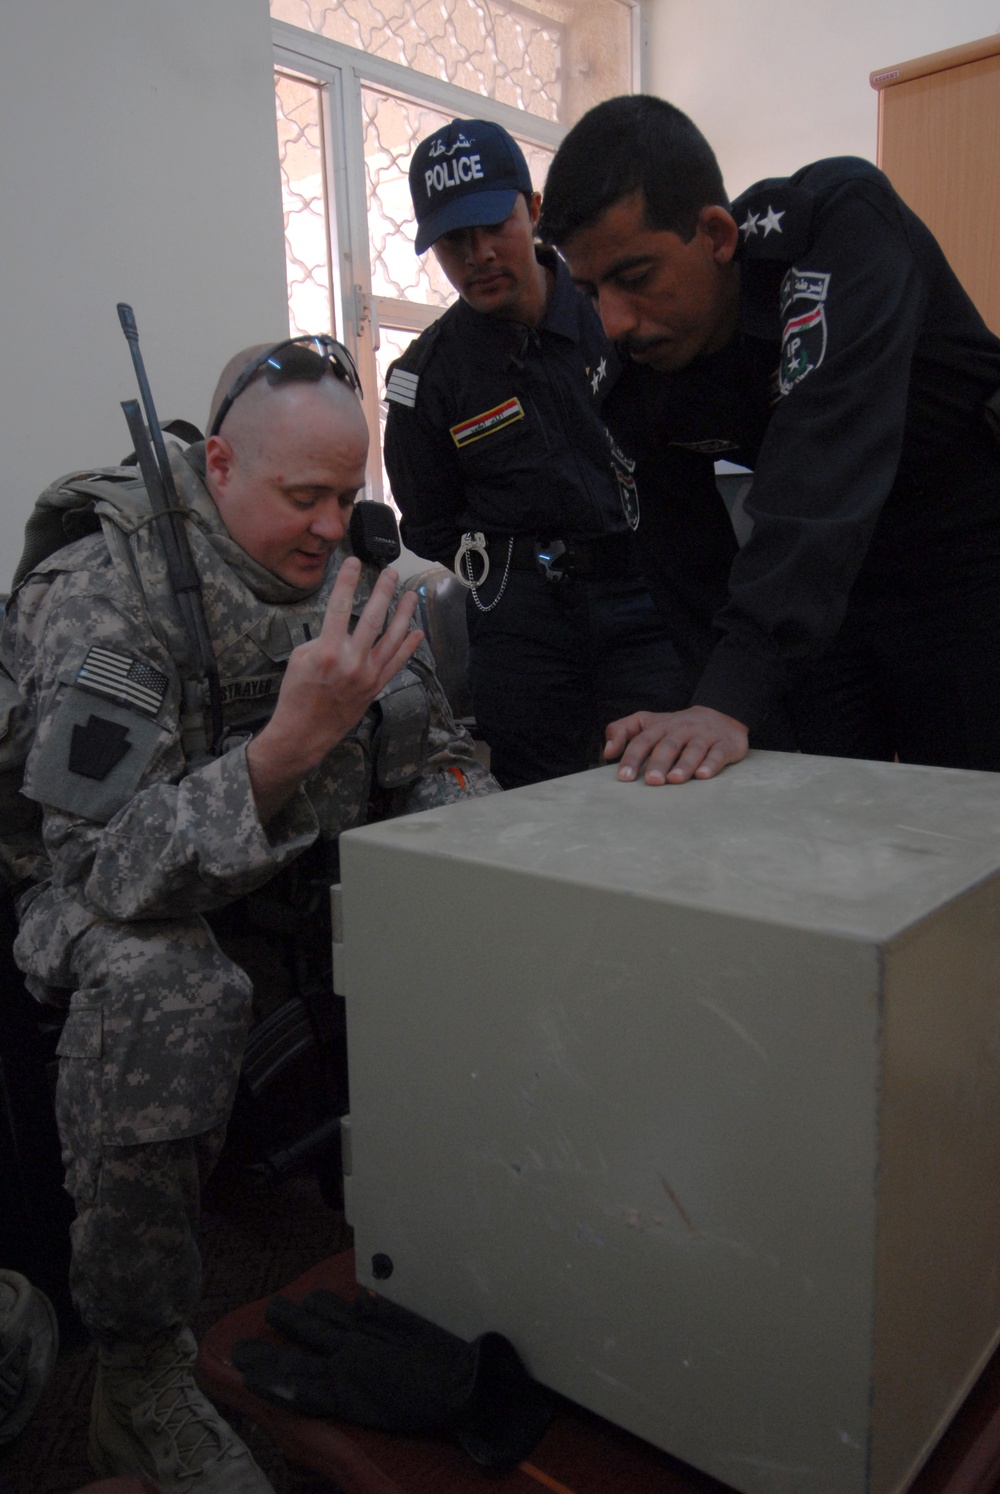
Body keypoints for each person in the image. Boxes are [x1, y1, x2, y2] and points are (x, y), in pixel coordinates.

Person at [0, 336, 497, 1493]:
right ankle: (139, 1374)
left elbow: (440, 752)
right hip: (90, 896)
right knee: (168, 984)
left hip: (270, 874)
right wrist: (283, 753)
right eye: (303, 496)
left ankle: (472, 1245)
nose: (333, 526)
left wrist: (479, 845)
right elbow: (105, 865)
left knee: (477, 889)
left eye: (348, 493)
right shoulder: (104, 594)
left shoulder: (341, 572)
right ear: (219, 465)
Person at [538, 95, 1000, 786]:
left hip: (969, 554)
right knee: (818, 791)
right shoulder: (635, 372)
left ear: (718, 235)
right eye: (589, 289)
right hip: (831, 588)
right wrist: (712, 719)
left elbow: (823, 463)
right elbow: (687, 572)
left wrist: (731, 693)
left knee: (972, 816)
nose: (613, 322)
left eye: (635, 279)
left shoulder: (841, 229)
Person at [383, 117, 688, 790]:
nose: (478, 255)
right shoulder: (427, 377)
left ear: (535, 211)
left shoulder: (612, 314)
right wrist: (510, 564)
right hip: (521, 619)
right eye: (454, 241)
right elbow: (428, 517)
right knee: (535, 807)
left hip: (641, 595)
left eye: (495, 226)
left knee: (661, 785)